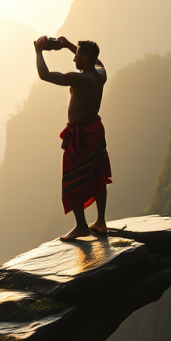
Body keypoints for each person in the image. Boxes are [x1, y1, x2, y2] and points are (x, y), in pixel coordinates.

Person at [34, 35, 112, 240]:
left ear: (84, 59)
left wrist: (39, 51)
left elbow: (45, 75)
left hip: (80, 135)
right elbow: (99, 63)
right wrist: (70, 46)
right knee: (97, 173)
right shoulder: (100, 75)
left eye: (76, 55)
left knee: (73, 176)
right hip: (96, 129)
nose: (73, 59)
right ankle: (101, 221)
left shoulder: (81, 79)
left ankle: (81, 226)